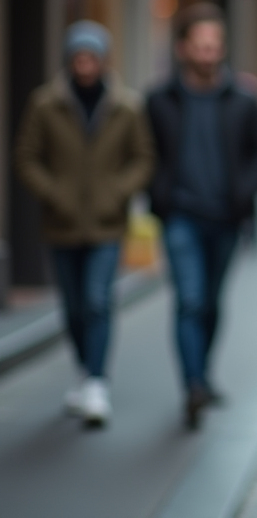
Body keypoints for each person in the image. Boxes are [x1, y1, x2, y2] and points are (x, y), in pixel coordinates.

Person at [14, 21, 154, 429]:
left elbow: (142, 158)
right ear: (69, 60)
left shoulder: (125, 107)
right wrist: (54, 192)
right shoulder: (46, 105)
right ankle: (84, 369)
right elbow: (26, 157)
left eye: (92, 57)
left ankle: (96, 381)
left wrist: (117, 192)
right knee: (74, 307)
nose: (85, 65)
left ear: (103, 60)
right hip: (61, 224)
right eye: (79, 57)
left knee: (97, 300)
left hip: (108, 224)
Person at [146, 4, 257, 430]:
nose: (207, 52)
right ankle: (193, 385)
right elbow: (148, 154)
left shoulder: (243, 99)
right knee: (190, 300)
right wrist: (157, 194)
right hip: (180, 214)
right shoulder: (160, 100)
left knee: (212, 303)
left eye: (214, 45)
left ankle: (203, 372)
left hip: (227, 216)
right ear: (184, 49)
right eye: (200, 45)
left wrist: (246, 191)